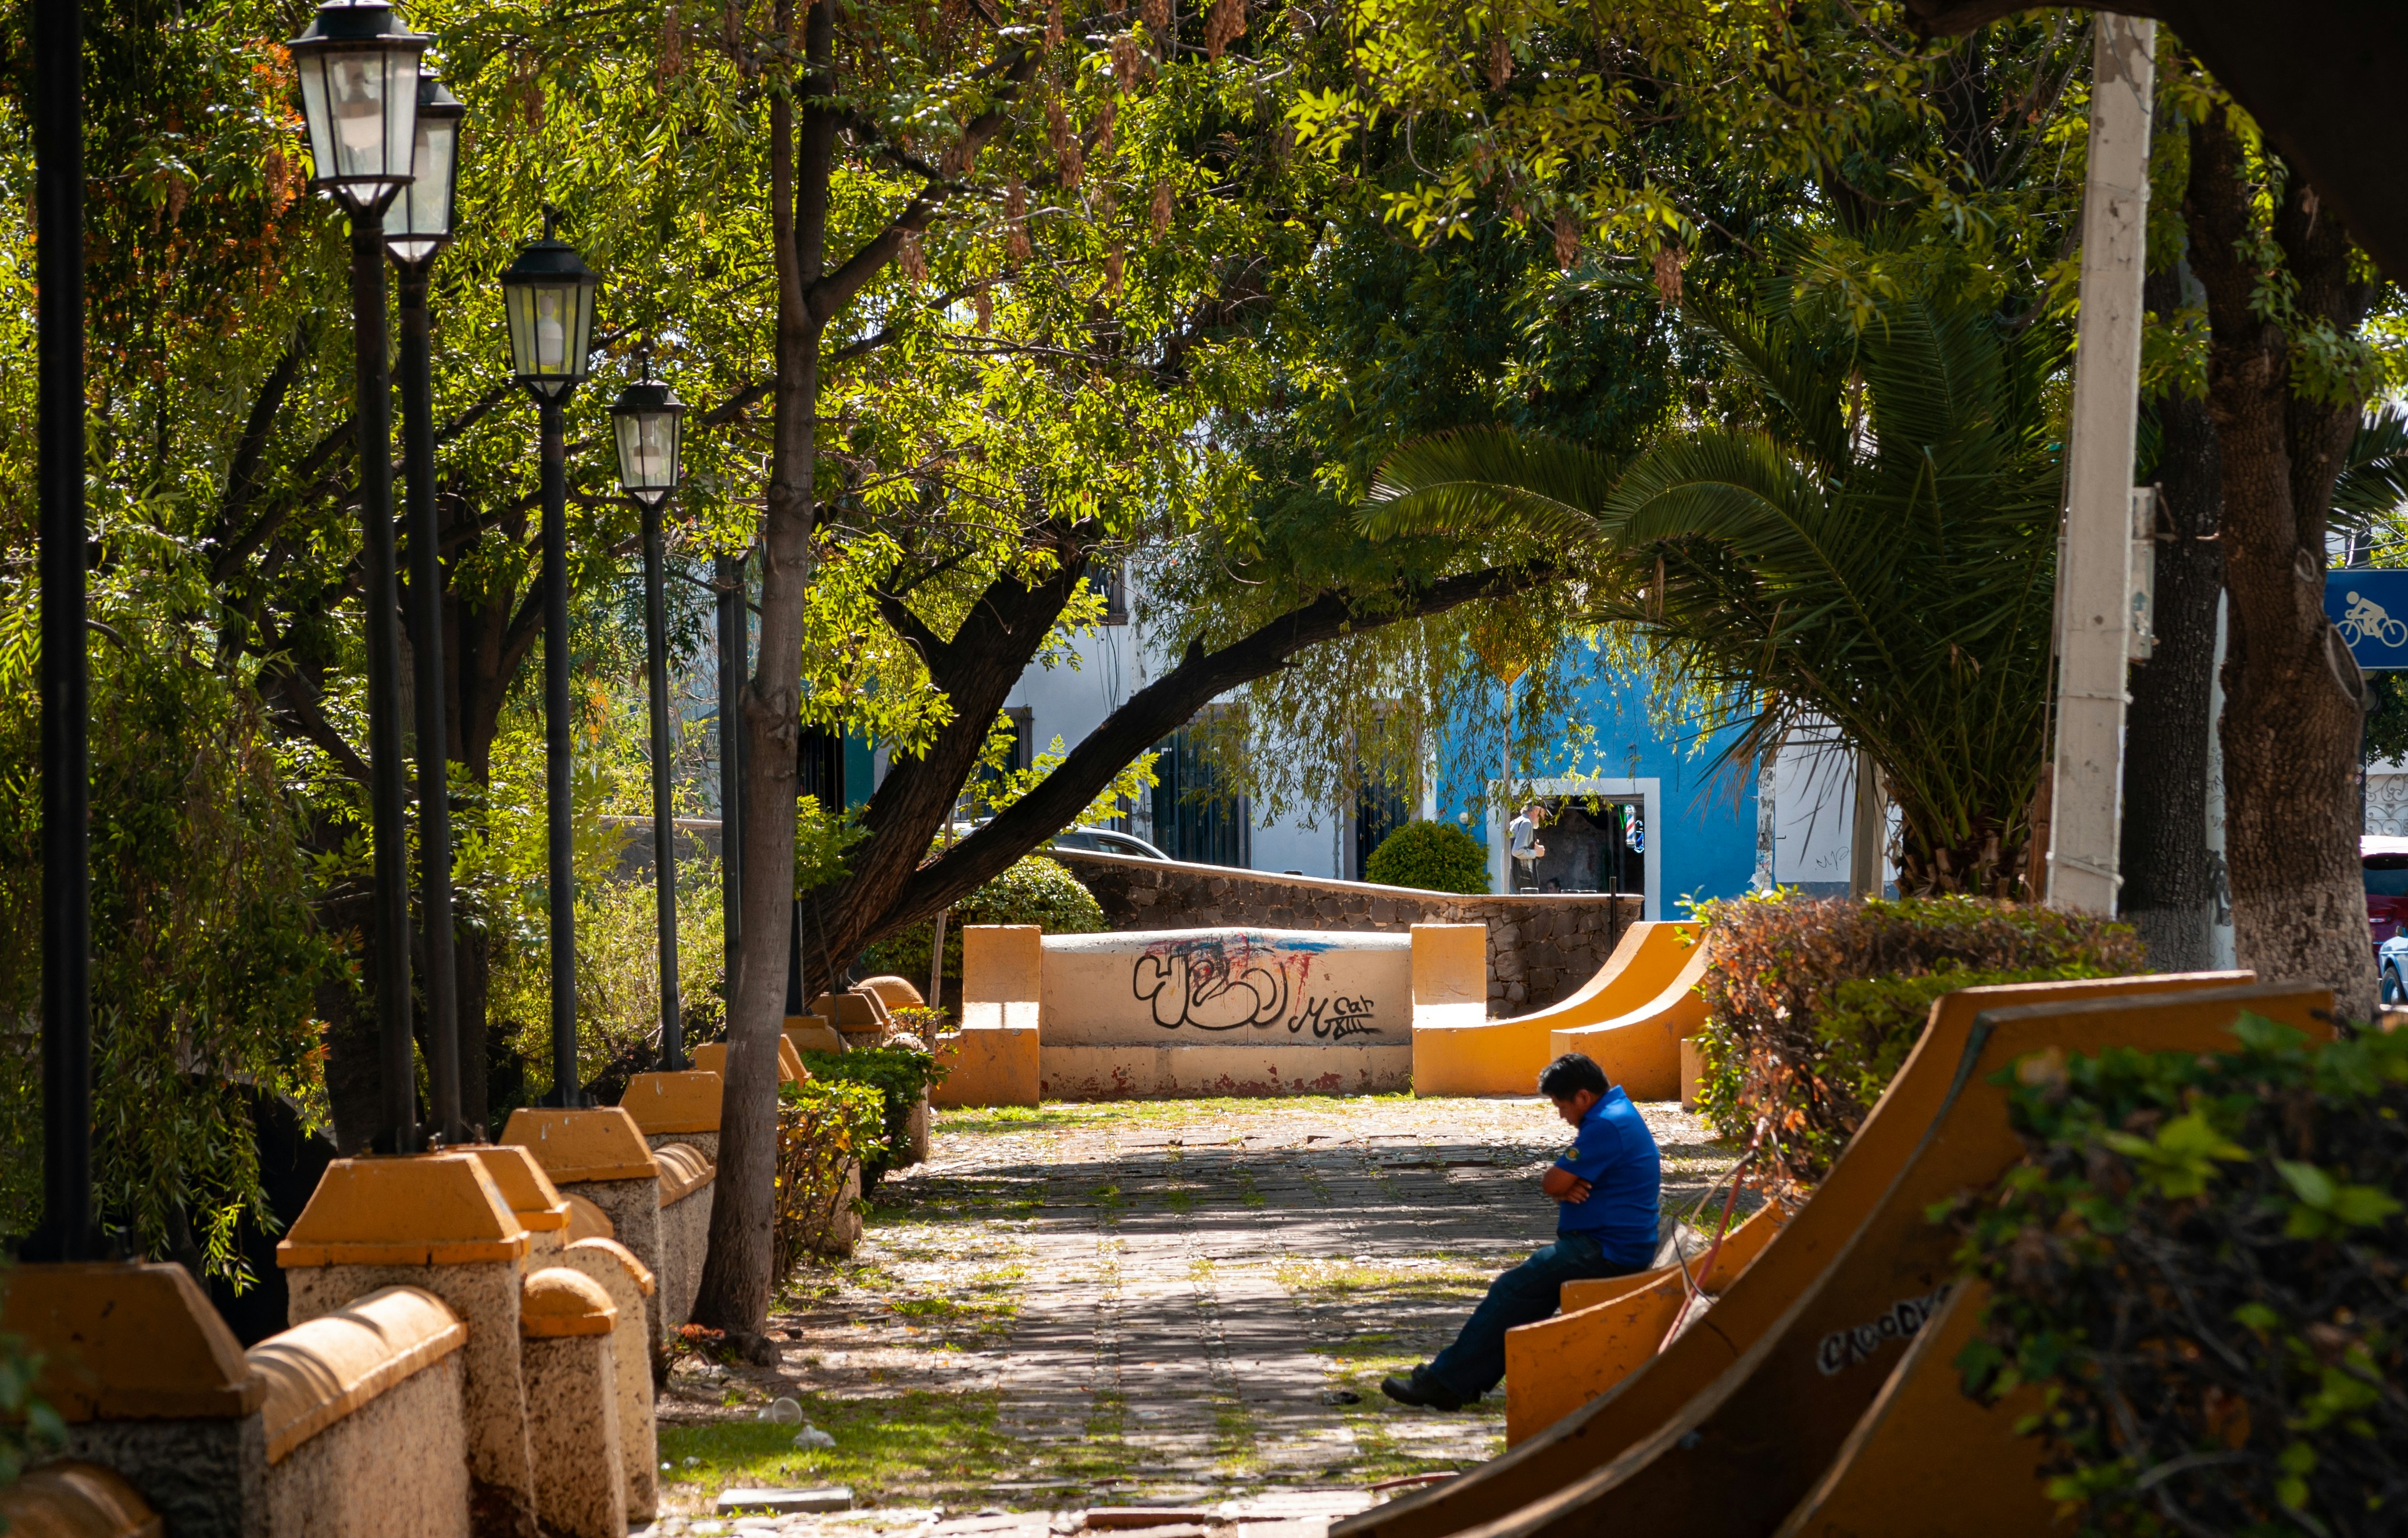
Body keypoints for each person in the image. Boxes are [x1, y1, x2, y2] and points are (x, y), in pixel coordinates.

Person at [1381, 1052, 1662, 1410]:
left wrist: (1562, 1187)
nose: (1562, 1116)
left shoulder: (1606, 1124)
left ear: (1582, 1097)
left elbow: (1553, 1181)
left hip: (1604, 1252)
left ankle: (1446, 1383)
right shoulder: (1616, 1113)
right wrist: (1565, 1189)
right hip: (1607, 1245)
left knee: (1511, 1290)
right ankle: (1458, 1382)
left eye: (1561, 1106)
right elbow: (1563, 1185)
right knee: (1521, 1297)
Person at [1507, 801, 1547, 890]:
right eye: (1543, 814)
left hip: (1511, 876)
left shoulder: (1514, 822)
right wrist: (1536, 853)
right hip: (1520, 879)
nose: (1543, 818)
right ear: (1536, 810)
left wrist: (1533, 848)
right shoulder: (1527, 823)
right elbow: (1517, 851)